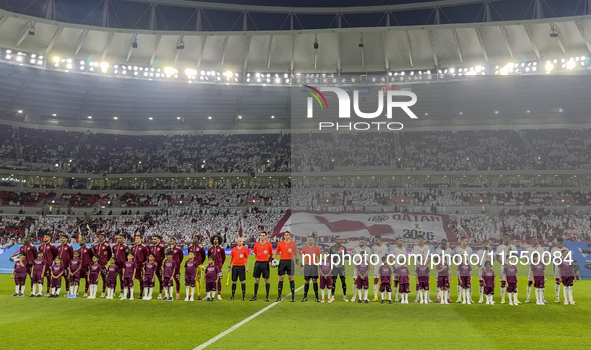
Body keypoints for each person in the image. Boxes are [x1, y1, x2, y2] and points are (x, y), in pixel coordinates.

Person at [272, 231, 297, 302]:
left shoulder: (293, 244)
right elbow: (276, 252)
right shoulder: (280, 243)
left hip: (290, 261)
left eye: (287, 235)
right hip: (282, 261)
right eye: (285, 235)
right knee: (281, 278)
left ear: (290, 236)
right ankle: (279, 297)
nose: (286, 236)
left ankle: (293, 297)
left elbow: (296, 254)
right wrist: (272, 260)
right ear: (284, 236)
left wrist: (297, 263)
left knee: (291, 278)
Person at [496, 233, 519, 304]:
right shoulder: (500, 247)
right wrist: (503, 264)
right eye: (505, 237)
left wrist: (512, 251)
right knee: (503, 282)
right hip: (504, 266)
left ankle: (516, 299)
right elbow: (497, 257)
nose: (506, 238)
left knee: (514, 282)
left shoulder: (513, 246)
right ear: (503, 238)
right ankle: (503, 298)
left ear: (509, 238)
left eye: (507, 237)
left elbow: (517, 255)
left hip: (512, 266)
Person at [250, 231, 272, 302]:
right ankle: (255, 296)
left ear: (266, 236)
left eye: (263, 235)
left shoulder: (269, 244)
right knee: (257, 280)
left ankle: (267, 296)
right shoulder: (256, 244)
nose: (262, 237)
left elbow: (271, 254)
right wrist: (259, 259)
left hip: (265, 263)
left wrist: (269, 260)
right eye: (261, 235)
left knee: (266, 279)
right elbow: (255, 254)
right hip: (258, 263)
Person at [300, 235, 321, 302]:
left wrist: (320, 265)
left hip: (314, 266)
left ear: (313, 241)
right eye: (309, 240)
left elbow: (320, 257)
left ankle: (317, 297)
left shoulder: (316, 248)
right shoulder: (304, 248)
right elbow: (302, 258)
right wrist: (301, 267)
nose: (310, 241)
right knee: (307, 281)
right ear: (307, 241)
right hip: (307, 266)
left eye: (311, 240)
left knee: (315, 280)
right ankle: (305, 297)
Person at [525, 237, 545, 303]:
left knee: (542, 282)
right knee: (530, 282)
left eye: (537, 239)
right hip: (532, 268)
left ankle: (542, 298)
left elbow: (543, 257)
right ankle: (528, 298)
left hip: (540, 268)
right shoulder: (528, 249)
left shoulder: (541, 248)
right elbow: (526, 258)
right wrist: (530, 264)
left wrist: (543, 264)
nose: (536, 241)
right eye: (534, 239)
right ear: (531, 241)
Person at [328, 235, 347, 302]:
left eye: (340, 239)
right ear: (335, 240)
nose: (339, 240)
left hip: (341, 266)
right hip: (334, 267)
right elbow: (328, 257)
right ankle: (332, 296)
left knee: (343, 281)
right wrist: (333, 258)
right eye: (338, 239)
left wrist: (345, 257)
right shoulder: (331, 248)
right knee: (333, 281)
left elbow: (347, 256)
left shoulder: (343, 248)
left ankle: (345, 296)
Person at [411, 235, 431, 303]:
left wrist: (427, 264)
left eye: (419, 239)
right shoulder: (415, 247)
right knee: (417, 282)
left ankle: (427, 298)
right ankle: (417, 298)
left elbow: (429, 256)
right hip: (418, 268)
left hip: (425, 268)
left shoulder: (427, 247)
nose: (418, 240)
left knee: (426, 282)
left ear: (422, 239)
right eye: (417, 239)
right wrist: (415, 264)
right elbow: (413, 256)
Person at [92, 233, 112, 298]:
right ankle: (93, 292)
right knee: (94, 277)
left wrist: (105, 261)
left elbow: (109, 254)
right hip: (96, 264)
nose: (100, 238)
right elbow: (94, 253)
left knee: (104, 278)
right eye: (99, 237)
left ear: (104, 238)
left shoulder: (107, 246)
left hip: (103, 264)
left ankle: (103, 292)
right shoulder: (95, 245)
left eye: (101, 237)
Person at [350, 235, 368, 302]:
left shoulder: (368, 249)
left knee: (365, 282)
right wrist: (356, 263)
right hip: (357, 268)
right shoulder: (356, 248)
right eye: (360, 242)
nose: (361, 243)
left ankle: (364, 297)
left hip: (365, 269)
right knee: (355, 281)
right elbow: (352, 256)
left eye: (362, 242)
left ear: (365, 242)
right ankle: (354, 296)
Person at [188, 236, 206, 300]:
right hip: (190, 266)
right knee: (190, 280)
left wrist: (199, 262)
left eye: (195, 238)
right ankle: (189, 295)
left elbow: (203, 256)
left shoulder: (201, 247)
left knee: (198, 279)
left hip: (198, 265)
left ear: (198, 240)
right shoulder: (190, 247)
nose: (193, 239)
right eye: (193, 238)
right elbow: (189, 255)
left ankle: (199, 294)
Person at [454, 236, 472, 303]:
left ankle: (469, 298)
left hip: (467, 269)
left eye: (467, 241)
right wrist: (459, 264)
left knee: (469, 283)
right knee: (459, 282)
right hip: (460, 269)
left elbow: (471, 258)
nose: (467, 242)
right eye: (466, 241)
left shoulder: (469, 249)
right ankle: (459, 297)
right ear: (462, 241)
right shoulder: (457, 249)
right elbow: (455, 258)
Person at [370, 235, 388, 302]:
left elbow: (386, 255)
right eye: (375, 240)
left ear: (380, 239)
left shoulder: (384, 246)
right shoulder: (374, 247)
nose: (375, 241)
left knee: (385, 279)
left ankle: (386, 296)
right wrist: (374, 264)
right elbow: (372, 256)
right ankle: (375, 296)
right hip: (376, 266)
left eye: (376, 240)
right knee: (376, 279)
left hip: (383, 265)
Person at [208, 235, 226, 301]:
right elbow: (209, 257)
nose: (215, 240)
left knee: (219, 281)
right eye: (214, 239)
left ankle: (219, 295)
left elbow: (223, 258)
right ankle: (209, 295)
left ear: (219, 240)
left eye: (216, 239)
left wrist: (220, 264)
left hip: (218, 267)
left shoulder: (221, 249)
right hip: (211, 267)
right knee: (210, 281)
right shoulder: (210, 249)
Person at [434, 239, 452, 303]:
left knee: (448, 283)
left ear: (446, 243)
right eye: (442, 243)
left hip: (447, 268)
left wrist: (446, 264)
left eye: (444, 243)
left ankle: (448, 298)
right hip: (440, 268)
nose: (443, 244)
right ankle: (438, 297)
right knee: (438, 283)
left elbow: (451, 258)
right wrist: (440, 264)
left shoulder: (449, 250)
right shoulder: (437, 250)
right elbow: (435, 258)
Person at [550, 238, 567, 303]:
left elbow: (569, 258)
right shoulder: (553, 249)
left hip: (565, 268)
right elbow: (551, 259)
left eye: (561, 242)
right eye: (559, 242)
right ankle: (557, 298)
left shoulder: (566, 249)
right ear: (557, 242)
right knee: (558, 282)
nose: (560, 243)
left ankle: (568, 298)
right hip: (557, 267)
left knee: (567, 283)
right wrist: (557, 258)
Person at [113, 234, 129, 298]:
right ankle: (113, 292)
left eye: (120, 238)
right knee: (113, 278)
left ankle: (122, 292)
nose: (118, 239)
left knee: (121, 279)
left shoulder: (125, 246)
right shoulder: (114, 246)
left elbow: (127, 254)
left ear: (123, 239)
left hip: (122, 265)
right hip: (115, 265)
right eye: (118, 238)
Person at [390, 237, 407, 302]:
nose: (401, 242)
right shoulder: (394, 249)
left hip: (403, 268)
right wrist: (393, 266)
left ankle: (401, 296)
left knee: (402, 282)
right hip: (397, 268)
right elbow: (391, 257)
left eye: (402, 241)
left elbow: (405, 257)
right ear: (396, 241)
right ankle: (396, 297)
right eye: (400, 241)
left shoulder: (404, 249)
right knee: (396, 282)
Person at [149, 235, 165, 300]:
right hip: (151, 267)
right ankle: (150, 293)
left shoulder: (161, 247)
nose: (153, 240)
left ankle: (160, 293)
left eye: (155, 239)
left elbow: (163, 256)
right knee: (150, 280)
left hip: (158, 267)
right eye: (153, 239)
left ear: (159, 240)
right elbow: (148, 255)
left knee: (160, 279)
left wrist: (157, 262)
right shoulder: (150, 247)